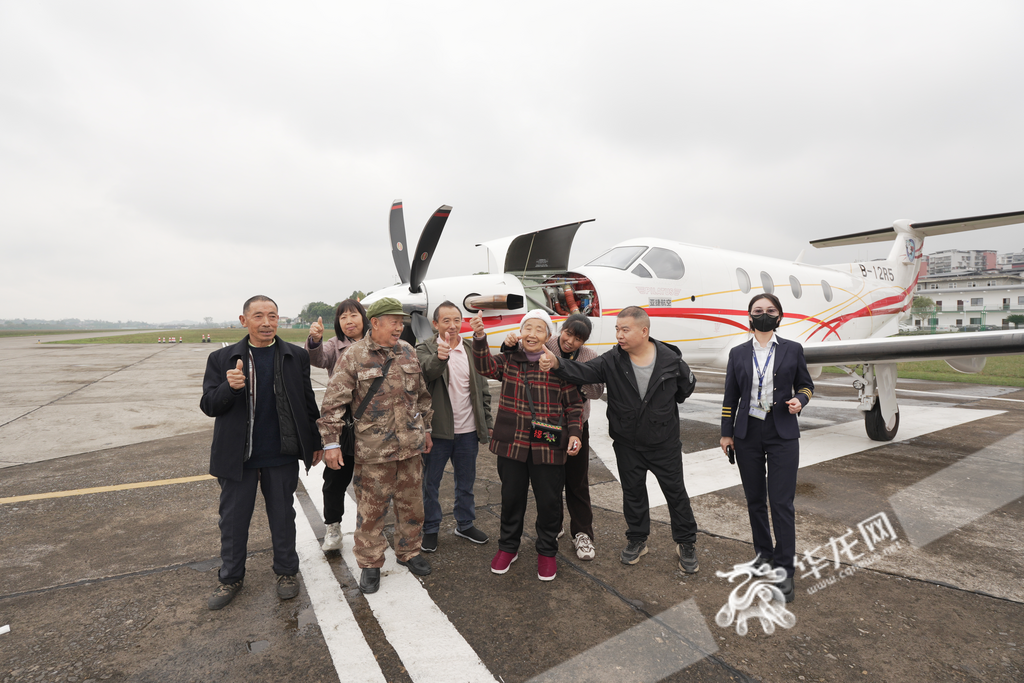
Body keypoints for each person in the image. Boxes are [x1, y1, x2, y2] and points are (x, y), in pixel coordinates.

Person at [540, 306, 700, 574]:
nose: (619, 335)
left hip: (664, 443)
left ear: (644, 331)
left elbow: (685, 389)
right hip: (627, 443)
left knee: (676, 494)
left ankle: (686, 542)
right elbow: (584, 372)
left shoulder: (671, 360)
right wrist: (557, 363)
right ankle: (637, 540)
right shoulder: (612, 360)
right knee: (633, 494)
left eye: (625, 329)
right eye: (617, 329)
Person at [200, 295, 324, 610]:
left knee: (283, 519)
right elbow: (209, 405)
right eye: (258, 316)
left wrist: (316, 442)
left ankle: (286, 572)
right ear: (244, 321)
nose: (266, 322)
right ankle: (230, 578)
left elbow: (307, 403)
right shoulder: (222, 358)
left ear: (279, 319)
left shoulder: (295, 356)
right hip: (237, 458)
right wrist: (230, 388)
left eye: (272, 315)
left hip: (280, 454)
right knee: (232, 521)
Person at [317, 297, 434, 594]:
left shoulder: (407, 351)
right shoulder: (355, 356)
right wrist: (331, 443)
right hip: (374, 450)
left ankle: (410, 551)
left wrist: (427, 430)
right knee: (371, 511)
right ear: (376, 323)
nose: (399, 327)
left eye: (401, 322)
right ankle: (370, 563)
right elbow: (333, 403)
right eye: (393, 322)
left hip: (409, 447)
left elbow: (421, 396)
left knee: (412, 505)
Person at [471, 309, 583, 581]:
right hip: (512, 444)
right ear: (520, 332)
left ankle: (546, 551)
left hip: (547, 444)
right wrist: (479, 335)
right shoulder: (509, 360)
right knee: (511, 499)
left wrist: (575, 433)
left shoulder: (557, 365)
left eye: (539, 329)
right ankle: (508, 547)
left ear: (548, 335)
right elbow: (484, 366)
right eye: (528, 328)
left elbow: (574, 404)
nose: (532, 334)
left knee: (549, 501)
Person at [719, 293, 813, 603]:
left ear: (779, 316)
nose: (764, 314)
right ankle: (764, 555)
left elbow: (806, 385)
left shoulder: (792, 350)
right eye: (758, 310)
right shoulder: (737, 353)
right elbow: (730, 397)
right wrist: (726, 434)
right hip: (747, 432)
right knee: (755, 499)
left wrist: (801, 400)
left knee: (781, 502)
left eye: (770, 310)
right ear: (749, 316)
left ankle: (785, 569)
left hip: (782, 430)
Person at [502, 313, 604, 561]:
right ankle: (553, 524)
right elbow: (515, 357)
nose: (570, 341)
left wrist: (570, 376)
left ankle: (582, 533)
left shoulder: (589, 356)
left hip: (576, 426)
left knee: (577, 482)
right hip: (545, 426)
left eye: (578, 339)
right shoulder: (546, 344)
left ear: (584, 341)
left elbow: (597, 391)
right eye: (568, 333)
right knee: (549, 479)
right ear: (561, 330)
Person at [416, 301, 493, 553]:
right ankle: (430, 528)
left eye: (457, 320)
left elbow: (483, 389)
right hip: (437, 432)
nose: (452, 325)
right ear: (435, 324)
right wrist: (441, 357)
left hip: (468, 431)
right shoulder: (424, 348)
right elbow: (426, 373)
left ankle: (465, 523)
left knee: (466, 482)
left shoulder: (471, 349)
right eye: (446, 321)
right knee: (430, 483)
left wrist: (487, 423)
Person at [304, 299, 370, 552]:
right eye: (343, 318)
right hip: (342, 424)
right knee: (335, 479)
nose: (349, 321)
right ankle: (333, 526)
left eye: (353, 315)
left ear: (364, 318)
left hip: (374, 424)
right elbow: (318, 359)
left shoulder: (376, 343)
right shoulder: (334, 345)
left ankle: (370, 529)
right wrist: (315, 341)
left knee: (372, 481)